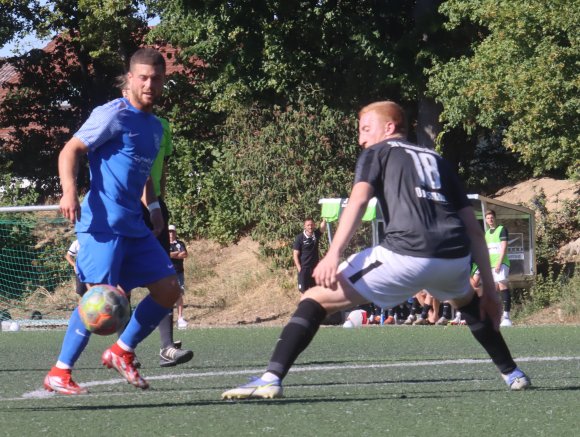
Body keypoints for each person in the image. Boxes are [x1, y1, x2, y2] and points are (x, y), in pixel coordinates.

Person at [222, 100, 530, 399]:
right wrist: (488, 290)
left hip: (407, 253)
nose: (361, 138)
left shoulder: (378, 152)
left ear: (389, 127)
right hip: (454, 259)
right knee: (469, 305)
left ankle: (270, 378)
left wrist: (333, 254)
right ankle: (512, 372)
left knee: (314, 297)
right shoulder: (437, 161)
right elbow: (474, 229)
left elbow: (357, 202)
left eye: (365, 129)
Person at [44, 48, 183, 395]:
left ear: (164, 81)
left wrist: (151, 206)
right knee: (99, 299)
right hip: (102, 224)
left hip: (134, 226)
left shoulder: (154, 126)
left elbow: (141, 169)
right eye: (143, 77)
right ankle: (60, 372)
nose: (149, 84)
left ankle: (122, 351)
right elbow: (70, 150)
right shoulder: (112, 114)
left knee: (169, 290)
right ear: (131, 79)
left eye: (156, 78)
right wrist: (69, 192)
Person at [118, 74, 193, 367]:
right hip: (124, 210)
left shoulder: (162, 127)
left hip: (155, 208)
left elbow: (159, 171)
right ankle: (126, 351)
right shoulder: (115, 125)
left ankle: (166, 347)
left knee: (165, 277)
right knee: (121, 284)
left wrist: (157, 204)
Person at [483, 209, 513, 327]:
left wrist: (499, 263)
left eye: (491, 217)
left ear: (495, 218)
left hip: (501, 264)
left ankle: (506, 317)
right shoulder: (486, 233)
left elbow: (503, 248)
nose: (490, 219)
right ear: (485, 220)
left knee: (502, 286)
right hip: (491, 265)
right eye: (488, 218)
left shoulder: (502, 229)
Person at [292, 218, 326, 293]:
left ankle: (315, 304)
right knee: (304, 292)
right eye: (308, 225)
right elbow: (295, 255)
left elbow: (322, 228)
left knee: (316, 290)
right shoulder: (299, 238)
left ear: (314, 225)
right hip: (304, 269)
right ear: (304, 226)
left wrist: (324, 219)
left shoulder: (315, 235)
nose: (310, 227)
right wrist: (300, 269)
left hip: (315, 268)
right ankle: (304, 304)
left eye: (311, 225)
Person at [169, 224, 188, 329]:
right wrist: (176, 254)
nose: (171, 234)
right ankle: (166, 318)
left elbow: (184, 254)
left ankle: (180, 318)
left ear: (175, 233)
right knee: (167, 295)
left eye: (172, 232)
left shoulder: (180, 243)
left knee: (179, 294)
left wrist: (172, 254)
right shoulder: (163, 243)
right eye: (169, 232)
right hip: (167, 274)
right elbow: (166, 254)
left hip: (179, 272)